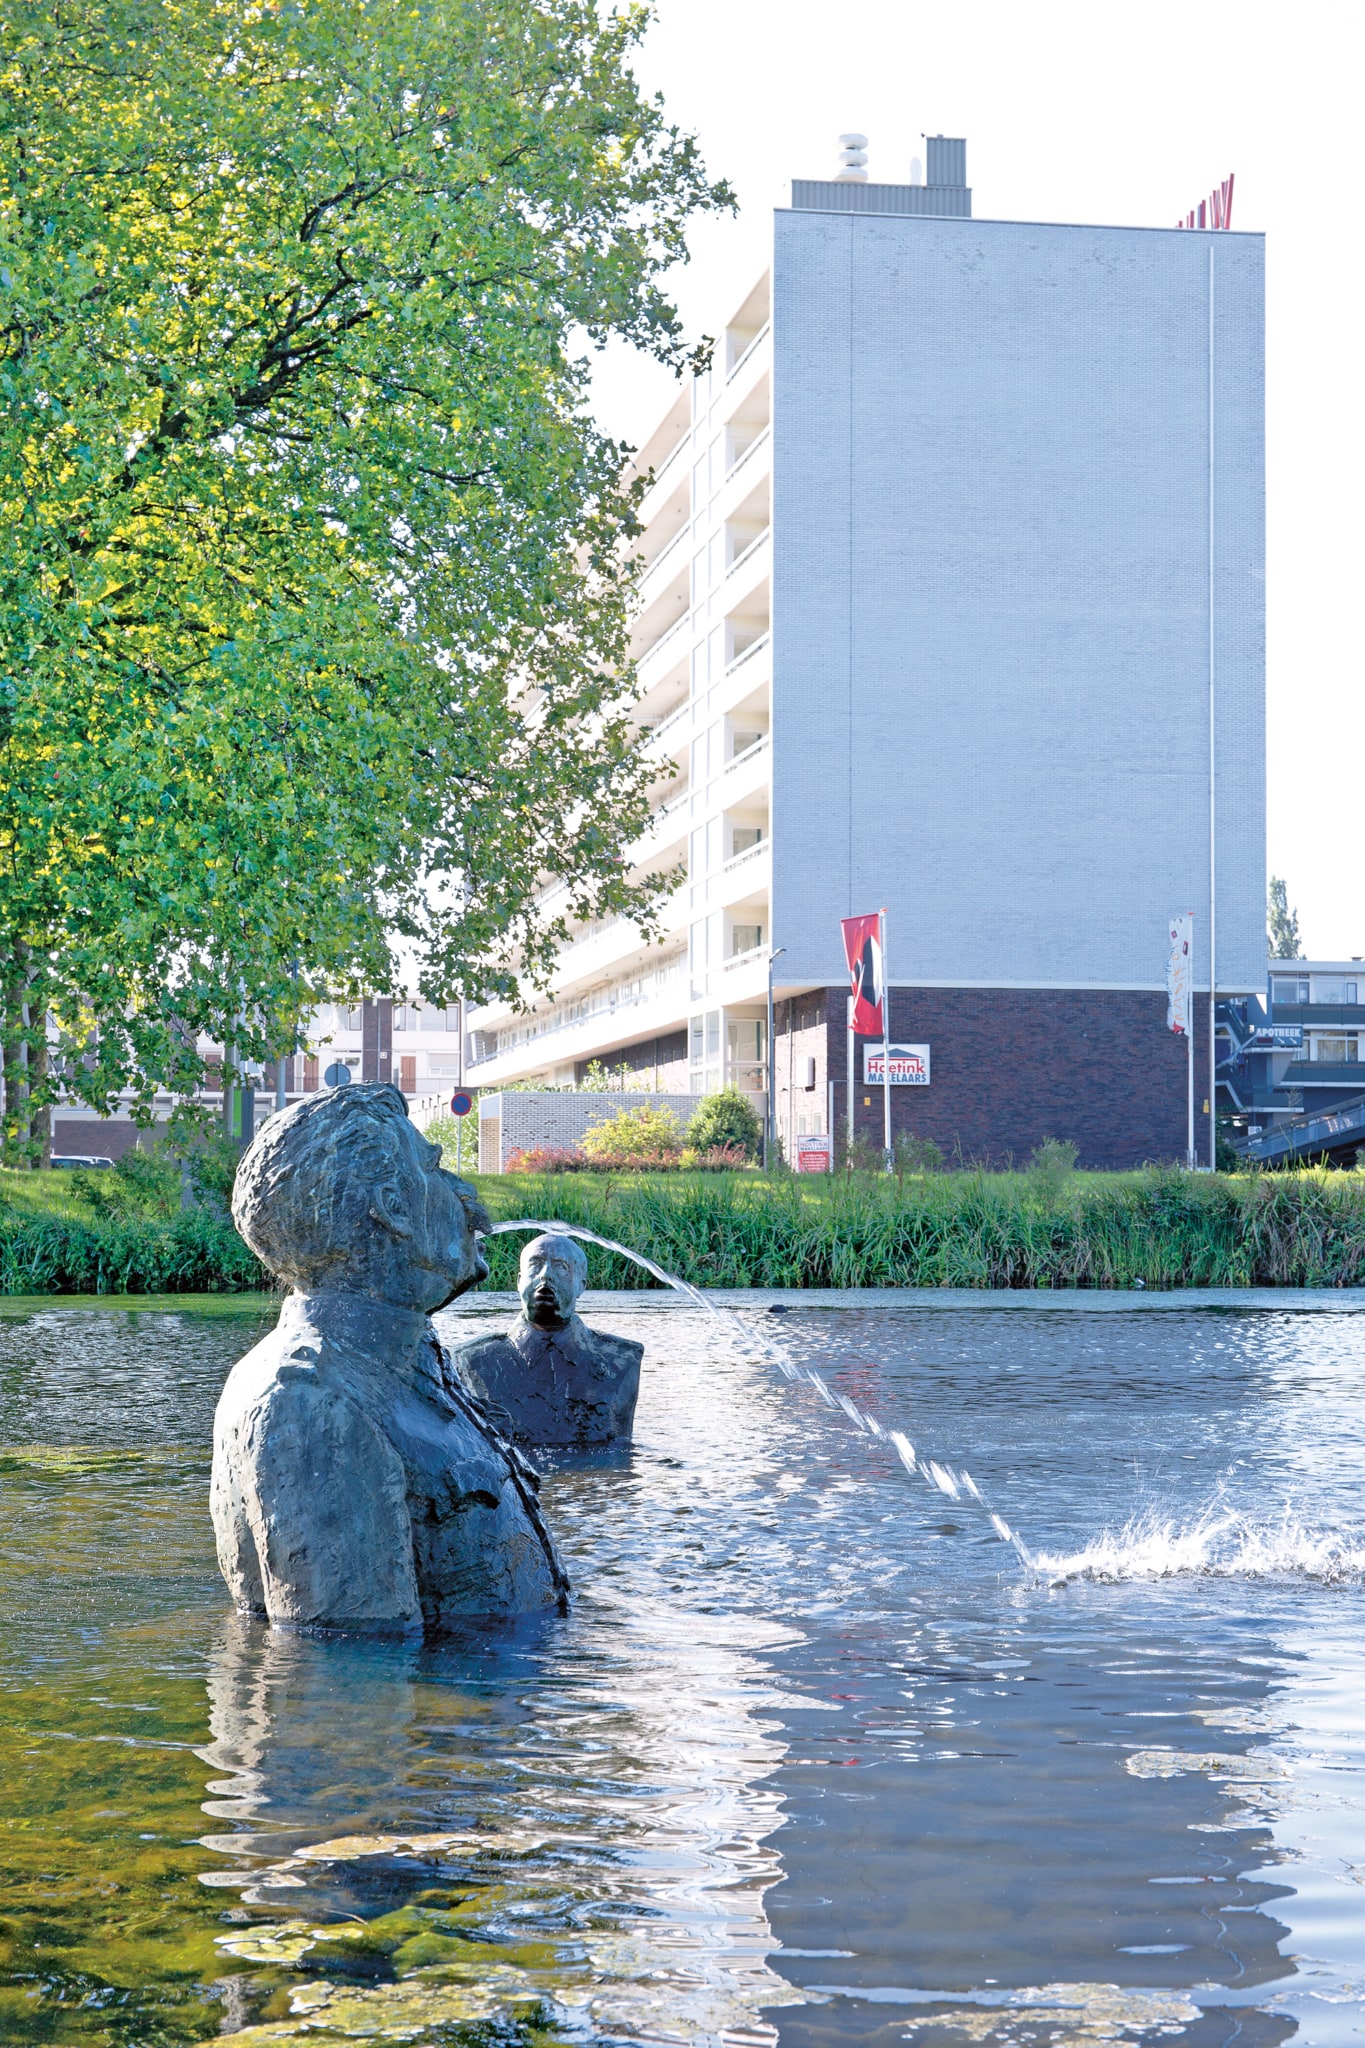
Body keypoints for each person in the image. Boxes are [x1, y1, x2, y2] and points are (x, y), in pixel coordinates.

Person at [211, 1084, 568, 1629]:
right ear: (393, 1209)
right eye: (435, 1170)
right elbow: (349, 1672)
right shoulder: (312, 1402)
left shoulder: (404, 1362)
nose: (464, 1192)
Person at [447, 1232, 642, 1449]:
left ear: (581, 1285)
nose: (546, 1275)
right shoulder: (470, 1359)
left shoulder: (623, 1358)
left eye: (560, 1266)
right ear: (519, 1282)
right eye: (535, 1265)